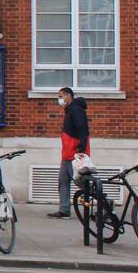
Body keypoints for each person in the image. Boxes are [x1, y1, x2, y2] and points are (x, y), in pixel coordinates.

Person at [49, 87, 89, 218]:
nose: (60, 99)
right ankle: (64, 209)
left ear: (68, 96)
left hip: (75, 154)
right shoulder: (69, 111)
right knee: (63, 181)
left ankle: (104, 201)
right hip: (67, 154)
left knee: (80, 182)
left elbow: (83, 130)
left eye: (61, 96)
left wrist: (81, 150)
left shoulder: (76, 110)